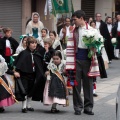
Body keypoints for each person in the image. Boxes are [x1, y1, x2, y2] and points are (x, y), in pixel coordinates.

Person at [71, 10, 103, 115]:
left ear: (81, 18)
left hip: (88, 59)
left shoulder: (93, 30)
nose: (73, 21)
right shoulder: (73, 30)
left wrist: (95, 48)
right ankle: (77, 107)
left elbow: (100, 44)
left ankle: (88, 107)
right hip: (76, 59)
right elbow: (69, 46)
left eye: (75, 19)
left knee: (88, 84)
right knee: (75, 84)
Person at [14, 36, 45, 113]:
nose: (34, 44)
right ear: (28, 44)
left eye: (35, 43)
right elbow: (19, 63)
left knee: (31, 89)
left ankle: (29, 105)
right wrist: (17, 71)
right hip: (24, 74)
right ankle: (24, 106)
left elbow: (41, 64)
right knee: (24, 89)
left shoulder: (37, 54)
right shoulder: (23, 53)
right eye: (32, 43)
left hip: (34, 74)